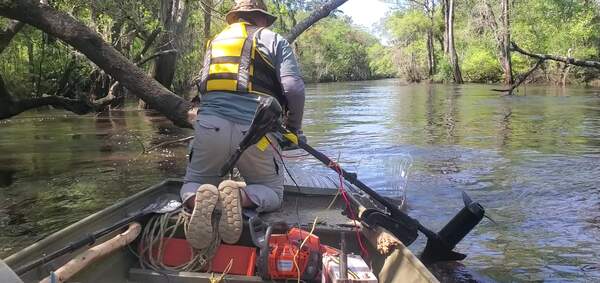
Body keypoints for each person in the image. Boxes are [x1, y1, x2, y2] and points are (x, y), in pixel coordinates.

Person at [181, 0, 305, 250]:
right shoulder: (274, 39)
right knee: (272, 192)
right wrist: (294, 129)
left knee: (194, 181)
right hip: (256, 133)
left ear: (237, 17)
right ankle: (238, 197)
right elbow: (293, 88)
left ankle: (198, 199)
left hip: (209, 126)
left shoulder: (214, 42)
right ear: (260, 18)